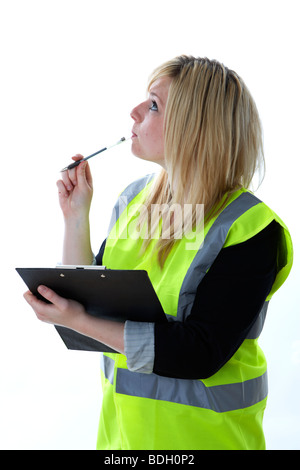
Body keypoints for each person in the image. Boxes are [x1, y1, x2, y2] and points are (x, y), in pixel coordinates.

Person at [24, 55, 293, 450]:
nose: (133, 112)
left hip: (207, 442)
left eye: (153, 105)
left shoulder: (248, 227)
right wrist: (75, 217)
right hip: (122, 443)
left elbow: (200, 352)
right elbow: (86, 307)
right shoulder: (135, 202)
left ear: (194, 127)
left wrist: (78, 318)